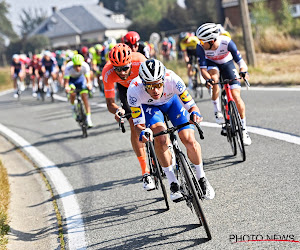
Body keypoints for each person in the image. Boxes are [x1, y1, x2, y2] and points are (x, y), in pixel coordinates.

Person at [127, 59, 215, 201]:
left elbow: (192, 106)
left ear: (163, 79)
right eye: (150, 86)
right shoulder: (134, 90)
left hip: (172, 103)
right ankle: (173, 182)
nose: (155, 90)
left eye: (158, 84)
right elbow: (138, 125)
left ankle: (202, 178)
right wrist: (144, 132)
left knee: (189, 140)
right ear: (143, 84)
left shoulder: (172, 79)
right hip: (151, 109)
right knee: (160, 139)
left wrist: (195, 114)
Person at [101, 43, 155, 191]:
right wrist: (118, 111)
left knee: (156, 114)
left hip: (143, 85)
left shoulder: (140, 61)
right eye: (118, 69)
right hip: (125, 90)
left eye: (125, 68)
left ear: (131, 62)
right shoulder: (107, 72)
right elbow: (110, 103)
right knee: (134, 124)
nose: (122, 72)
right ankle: (145, 171)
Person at [195, 23, 251, 145]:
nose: (200, 43)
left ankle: (244, 130)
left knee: (236, 96)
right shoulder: (200, 47)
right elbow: (203, 69)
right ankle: (217, 110)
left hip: (227, 63)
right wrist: (208, 80)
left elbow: (240, 62)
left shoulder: (227, 42)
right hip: (212, 64)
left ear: (211, 40)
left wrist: (243, 71)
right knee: (214, 79)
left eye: (202, 41)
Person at [64, 54, 93, 128]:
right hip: (72, 81)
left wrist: (89, 85)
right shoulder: (68, 67)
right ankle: (73, 108)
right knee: (72, 93)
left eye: (79, 65)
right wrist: (67, 87)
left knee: (85, 97)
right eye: (76, 66)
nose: (78, 68)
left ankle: (88, 119)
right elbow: (66, 82)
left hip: (81, 79)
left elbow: (88, 80)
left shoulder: (85, 66)